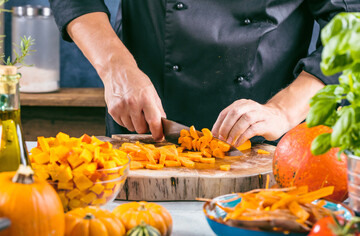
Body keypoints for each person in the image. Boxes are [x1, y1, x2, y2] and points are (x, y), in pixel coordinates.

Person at [49, 0, 359, 146]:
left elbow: (353, 23)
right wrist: (115, 66)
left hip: (266, 139)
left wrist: (283, 110)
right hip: (145, 124)